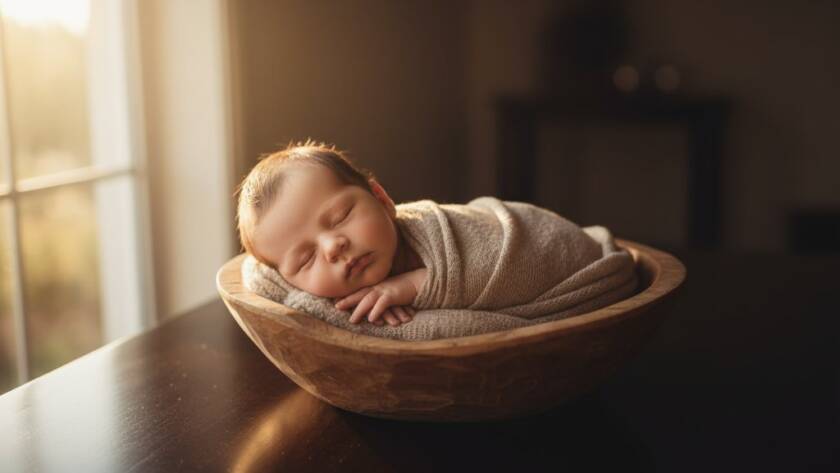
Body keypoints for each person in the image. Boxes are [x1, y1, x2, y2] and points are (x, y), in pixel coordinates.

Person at [236, 140, 427, 328]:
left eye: (340, 218)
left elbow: (457, 274)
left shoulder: (436, 232)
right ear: (288, 281)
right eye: (306, 259)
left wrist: (414, 284)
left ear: (381, 199)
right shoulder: (308, 303)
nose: (332, 247)